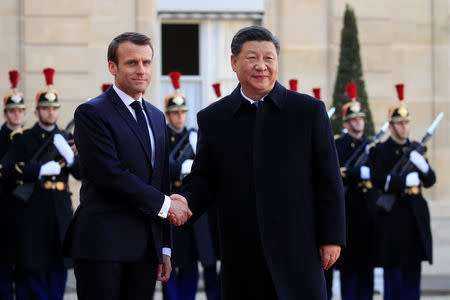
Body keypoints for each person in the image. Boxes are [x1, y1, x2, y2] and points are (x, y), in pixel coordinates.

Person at [171, 25, 346, 300]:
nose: (261, 66)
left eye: (269, 58)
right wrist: (184, 203)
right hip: (242, 250)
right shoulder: (214, 119)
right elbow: (205, 178)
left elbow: (328, 179)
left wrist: (332, 236)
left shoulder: (307, 111)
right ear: (234, 62)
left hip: (299, 247)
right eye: (252, 58)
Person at [63, 32, 192, 300]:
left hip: (145, 250)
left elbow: (161, 180)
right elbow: (109, 175)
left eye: (146, 62)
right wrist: (169, 206)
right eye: (132, 62)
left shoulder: (157, 117)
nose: (141, 70)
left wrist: (164, 248)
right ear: (113, 67)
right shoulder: (92, 113)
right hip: (103, 246)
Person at [4, 68, 81, 300]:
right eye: (46, 108)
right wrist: (39, 170)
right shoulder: (24, 138)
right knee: (34, 265)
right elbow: (10, 169)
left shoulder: (67, 139)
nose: (51, 112)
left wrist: (71, 158)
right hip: (34, 208)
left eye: (54, 108)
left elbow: (81, 174)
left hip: (59, 209)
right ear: (37, 111)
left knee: (59, 265)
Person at [370, 84, 435, 300]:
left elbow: (431, 180)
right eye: (399, 123)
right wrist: (401, 182)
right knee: (394, 281)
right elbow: (376, 178)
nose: (404, 127)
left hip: (414, 219)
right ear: (391, 126)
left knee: (412, 280)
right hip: (393, 221)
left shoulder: (415, 150)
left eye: (406, 123)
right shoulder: (380, 151)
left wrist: (423, 167)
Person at [162, 72, 220, 300]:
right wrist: (179, 168)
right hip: (170, 203)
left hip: (192, 207)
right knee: (172, 260)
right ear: (167, 115)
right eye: (175, 113)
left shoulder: (193, 137)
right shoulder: (161, 137)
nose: (179, 117)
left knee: (193, 261)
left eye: (182, 112)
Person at [335, 83, 375, 300]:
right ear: (346, 123)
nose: (358, 121)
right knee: (349, 272)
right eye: (354, 119)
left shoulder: (371, 145)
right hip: (348, 213)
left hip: (368, 213)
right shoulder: (339, 146)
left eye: (360, 118)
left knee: (366, 272)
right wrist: (354, 172)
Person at [0, 70, 26, 300]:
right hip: (5, 208)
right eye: (12, 111)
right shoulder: (2, 139)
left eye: (20, 111)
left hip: (27, 210)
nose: (16, 115)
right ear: (6, 113)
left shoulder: (28, 137)